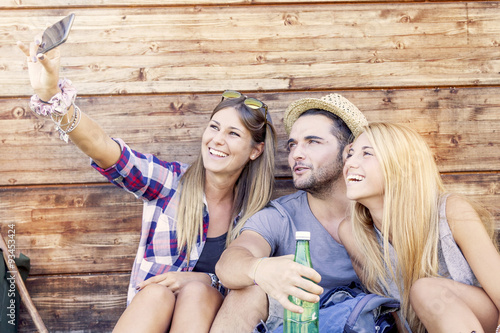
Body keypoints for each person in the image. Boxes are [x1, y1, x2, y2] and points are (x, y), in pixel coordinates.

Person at [17, 35, 277, 333]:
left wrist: (206, 280)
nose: (217, 139)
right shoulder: (169, 183)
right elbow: (105, 148)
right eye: (214, 127)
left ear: (255, 150)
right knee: (156, 293)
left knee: (197, 292)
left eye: (233, 134)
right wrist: (57, 100)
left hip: (210, 321)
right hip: (151, 315)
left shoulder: (258, 217)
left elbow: (254, 285)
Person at [214, 93, 375, 332]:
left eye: (312, 142)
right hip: (294, 321)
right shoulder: (280, 215)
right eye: (293, 145)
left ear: (348, 152)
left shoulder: (379, 209)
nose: (296, 154)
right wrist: (260, 269)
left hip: (363, 322)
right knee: (247, 291)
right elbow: (230, 263)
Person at [339, 122, 500, 333]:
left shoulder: (451, 211)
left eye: (367, 153)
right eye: (350, 154)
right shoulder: (353, 233)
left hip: (486, 320)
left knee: (425, 290)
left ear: (400, 166)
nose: (350, 162)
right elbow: (394, 313)